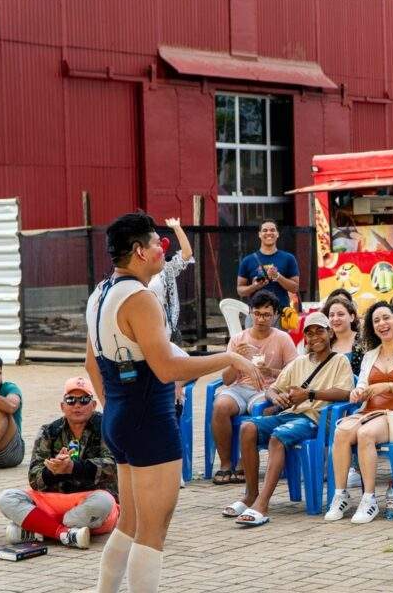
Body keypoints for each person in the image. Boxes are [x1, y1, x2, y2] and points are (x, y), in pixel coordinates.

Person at [84, 212, 261, 593]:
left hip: (120, 414)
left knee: (130, 523)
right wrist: (228, 358)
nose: (161, 249)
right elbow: (166, 369)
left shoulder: (100, 293)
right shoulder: (139, 297)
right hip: (148, 418)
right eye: (155, 243)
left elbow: (91, 362)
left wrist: (115, 406)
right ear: (138, 251)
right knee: (153, 529)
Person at [224, 313, 354, 526]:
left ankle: (262, 504)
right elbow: (273, 389)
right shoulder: (299, 362)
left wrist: (309, 394)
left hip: (315, 419)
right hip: (290, 415)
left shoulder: (339, 361)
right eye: (309, 334)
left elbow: (344, 393)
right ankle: (251, 494)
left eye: (320, 331)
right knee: (247, 427)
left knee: (279, 436)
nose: (315, 338)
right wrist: (277, 397)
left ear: (330, 333)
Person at [324, 302, 393, 524]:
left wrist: (388, 386)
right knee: (341, 431)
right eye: (376, 321)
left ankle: (369, 498)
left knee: (365, 434)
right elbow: (362, 385)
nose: (382, 324)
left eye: (386, 318)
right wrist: (357, 392)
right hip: (370, 411)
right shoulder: (370, 355)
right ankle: (340, 494)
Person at [0, 377, 117, 549]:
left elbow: (113, 466)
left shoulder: (107, 426)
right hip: (54, 499)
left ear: (94, 404)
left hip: (90, 499)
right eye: (71, 400)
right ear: (62, 406)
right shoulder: (49, 431)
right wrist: (53, 471)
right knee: (7, 498)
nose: (77, 405)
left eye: (84, 400)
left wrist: (73, 468)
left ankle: (39, 528)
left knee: (104, 502)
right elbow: (34, 478)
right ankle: (64, 533)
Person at [210, 291, 298, 485]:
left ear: (275, 316)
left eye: (266, 314)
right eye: (256, 313)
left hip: (267, 389)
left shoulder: (282, 339)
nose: (260, 319)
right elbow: (226, 380)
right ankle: (225, 464)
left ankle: (244, 460)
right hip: (240, 387)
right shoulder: (238, 339)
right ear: (250, 313)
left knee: (262, 409)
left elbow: (294, 373)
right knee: (220, 406)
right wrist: (235, 361)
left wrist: (270, 371)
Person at [236, 220, 300, 317]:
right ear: (259, 234)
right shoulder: (248, 260)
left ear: (277, 234)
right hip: (255, 314)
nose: (269, 233)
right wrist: (254, 286)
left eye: (272, 230)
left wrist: (278, 276)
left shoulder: (288, 258)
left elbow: (295, 288)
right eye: (265, 230)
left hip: (280, 314)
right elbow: (240, 290)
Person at [147, 217, 193, 342]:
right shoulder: (133, 272)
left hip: (164, 328)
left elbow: (186, 254)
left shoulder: (165, 270)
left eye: (159, 244)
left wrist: (176, 227)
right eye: (156, 244)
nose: (160, 247)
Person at [321, 295, 365, 376]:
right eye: (331, 315)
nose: (335, 319)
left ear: (352, 317)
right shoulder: (324, 343)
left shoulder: (364, 341)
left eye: (340, 314)